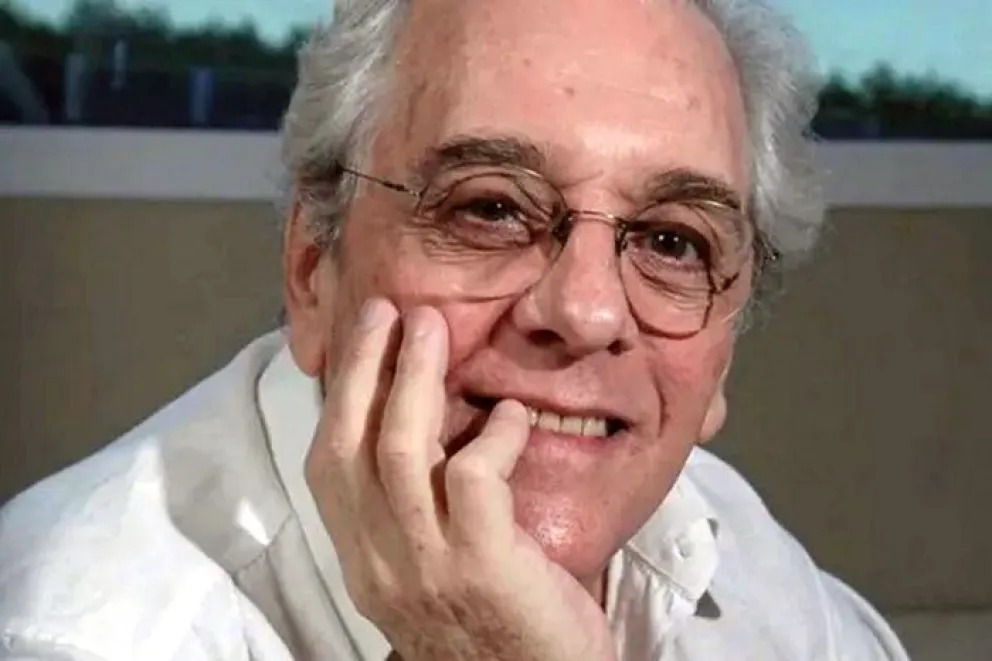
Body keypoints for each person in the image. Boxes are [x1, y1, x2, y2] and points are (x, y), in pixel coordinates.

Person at [0, 0, 910, 659]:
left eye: (673, 241)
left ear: (723, 354)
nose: (587, 311)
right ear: (314, 267)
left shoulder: (740, 557)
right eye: (491, 209)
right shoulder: (77, 634)